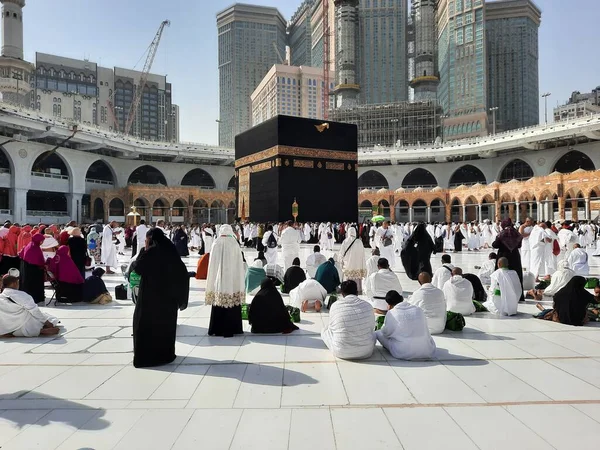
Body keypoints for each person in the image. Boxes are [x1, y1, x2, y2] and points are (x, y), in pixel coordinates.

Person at [132, 229, 189, 368]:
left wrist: (144, 251)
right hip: (167, 299)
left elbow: (137, 268)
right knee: (164, 326)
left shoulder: (150, 253)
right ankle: (165, 355)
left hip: (150, 298)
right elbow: (182, 273)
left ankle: (147, 356)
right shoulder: (171, 251)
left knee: (146, 324)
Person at [206, 225, 245, 337]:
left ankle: (216, 329)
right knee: (232, 301)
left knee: (219, 302)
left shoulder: (216, 243)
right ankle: (234, 328)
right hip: (232, 281)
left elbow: (212, 264)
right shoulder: (234, 243)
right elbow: (239, 264)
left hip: (219, 282)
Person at [321, 280, 376, 360]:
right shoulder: (368, 306)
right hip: (366, 351)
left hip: (341, 351)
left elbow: (332, 328)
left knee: (325, 330)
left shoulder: (335, 306)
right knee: (374, 333)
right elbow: (371, 328)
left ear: (342, 294)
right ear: (357, 293)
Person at [376, 290, 436, 360]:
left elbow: (386, 333)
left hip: (403, 352)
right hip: (427, 351)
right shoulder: (418, 309)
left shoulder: (392, 313)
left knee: (378, 333)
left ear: (389, 305)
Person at [492, 218, 524, 302]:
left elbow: (495, 245)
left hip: (503, 256)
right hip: (515, 256)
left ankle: (502, 293)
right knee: (515, 275)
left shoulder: (501, 234)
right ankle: (518, 296)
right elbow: (519, 245)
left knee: (502, 274)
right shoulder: (516, 233)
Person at [18, 233, 47, 304]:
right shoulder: (34, 248)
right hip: (33, 270)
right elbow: (37, 261)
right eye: (41, 241)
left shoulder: (31, 245)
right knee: (33, 285)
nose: (42, 242)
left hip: (28, 268)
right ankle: (35, 297)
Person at [338, 226, 366, 292]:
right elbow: (362, 255)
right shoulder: (359, 242)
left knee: (348, 278)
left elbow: (341, 253)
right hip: (357, 265)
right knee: (357, 279)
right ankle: (357, 290)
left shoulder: (345, 241)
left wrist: (340, 261)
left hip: (348, 265)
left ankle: (347, 291)